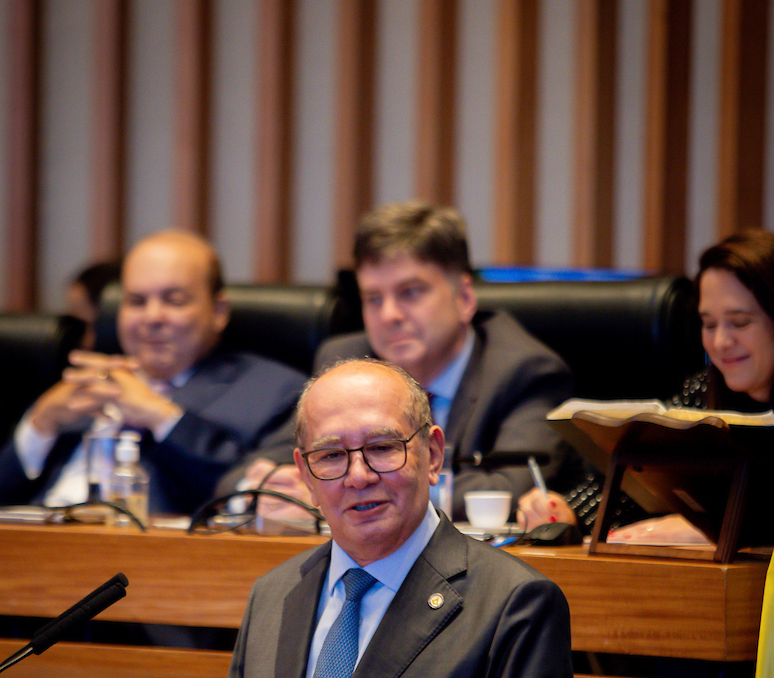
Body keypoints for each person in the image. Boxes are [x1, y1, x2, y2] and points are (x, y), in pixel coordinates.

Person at [23, 359, 575, 678]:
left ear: (432, 454)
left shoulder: (513, 603)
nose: (358, 476)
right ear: (304, 474)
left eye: (382, 448)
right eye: (331, 456)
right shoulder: (277, 594)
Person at [219, 201, 573, 522]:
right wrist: (264, 489)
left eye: (410, 293)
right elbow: (250, 472)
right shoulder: (346, 365)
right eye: (373, 298)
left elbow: (511, 489)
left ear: (464, 297)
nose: (388, 315)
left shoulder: (524, 371)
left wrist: (332, 492)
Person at [0, 229, 304, 517]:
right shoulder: (85, 386)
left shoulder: (275, 391)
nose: (152, 317)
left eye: (174, 301)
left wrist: (158, 414)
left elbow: (249, 494)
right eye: (136, 301)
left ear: (218, 311)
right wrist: (40, 422)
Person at [518, 228, 774, 544]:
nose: (720, 342)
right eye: (709, 324)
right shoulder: (703, 392)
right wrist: (566, 512)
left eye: (740, 323)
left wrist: (713, 528)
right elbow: (632, 485)